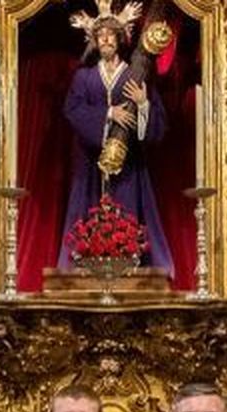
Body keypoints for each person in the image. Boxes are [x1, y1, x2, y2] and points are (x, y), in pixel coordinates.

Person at [58, 2, 173, 278]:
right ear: (94, 41)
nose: (106, 38)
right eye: (101, 35)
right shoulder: (84, 78)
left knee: (131, 212)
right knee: (87, 213)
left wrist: (143, 104)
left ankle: (131, 267)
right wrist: (109, 113)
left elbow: (158, 125)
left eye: (111, 34)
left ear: (120, 38)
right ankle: (86, 269)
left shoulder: (135, 74)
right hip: (90, 165)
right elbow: (71, 110)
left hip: (130, 168)